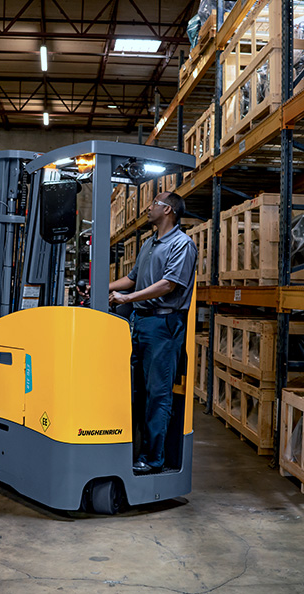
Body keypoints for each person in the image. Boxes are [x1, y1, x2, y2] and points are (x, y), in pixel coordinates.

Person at [108, 191, 197, 474]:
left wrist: (127, 299)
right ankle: (133, 449)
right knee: (134, 391)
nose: (148, 208)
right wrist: (105, 286)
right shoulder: (149, 244)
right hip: (141, 323)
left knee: (157, 393)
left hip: (164, 325)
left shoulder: (182, 245)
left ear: (167, 209)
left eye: (153, 204)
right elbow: (132, 279)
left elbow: (168, 285)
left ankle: (153, 458)